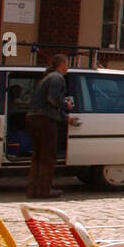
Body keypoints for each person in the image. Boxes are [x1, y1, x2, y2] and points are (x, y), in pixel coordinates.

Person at [25, 55, 79, 199]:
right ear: (62, 64)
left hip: (34, 118)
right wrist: (66, 105)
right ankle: (44, 190)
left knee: (38, 156)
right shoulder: (57, 78)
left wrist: (64, 117)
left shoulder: (47, 77)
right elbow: (53, 99)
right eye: (67, 64)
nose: (68, 67)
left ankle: (34, 189)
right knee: (48, 156)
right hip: (45, 120)